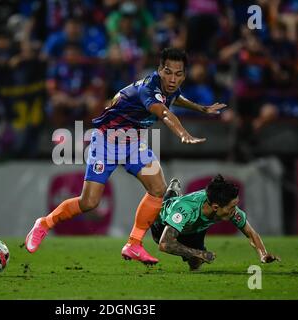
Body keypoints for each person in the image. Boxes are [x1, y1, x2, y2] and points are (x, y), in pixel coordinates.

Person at [25, 47, 226, 265]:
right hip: (106, 142)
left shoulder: (169, 89)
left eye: (178, 74)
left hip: (134, 145)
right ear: (159, 70)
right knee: (89, 202)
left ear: (184, 75)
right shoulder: (149, 89)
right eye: (168, 72)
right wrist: (183, 133)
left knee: (158, 189)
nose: (172, 79)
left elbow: (176, 98)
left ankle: (134, 244)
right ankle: (43, 224)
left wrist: (201, 108)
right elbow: (165, 112)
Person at [152, 175, 281, 271]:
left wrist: (263, 254)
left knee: (196, 263)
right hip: (162, 224)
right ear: (215, 207)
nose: (234, 211)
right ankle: (172, 191)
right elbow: (165, 244)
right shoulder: (186, 209)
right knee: (168, 203)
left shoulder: (227, 208)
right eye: (231, 207)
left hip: (194, 228)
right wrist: (199, 253)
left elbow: (251, 233)